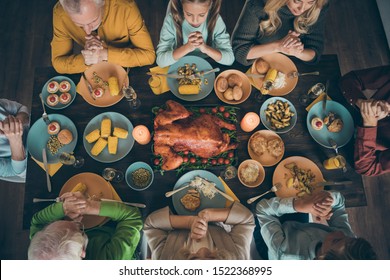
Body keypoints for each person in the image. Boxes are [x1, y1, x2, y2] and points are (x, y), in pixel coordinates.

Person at [255, 191, 377, 260]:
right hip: (297, 227)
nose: (340, 233)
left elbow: (262, 209)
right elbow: (339, 203)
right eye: (351, 238)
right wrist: (327, 202)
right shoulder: (347, 243)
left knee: (262, 197)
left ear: (321, 258)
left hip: (269, 245)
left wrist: (299, 205)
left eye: (335, 241)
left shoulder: (285, 254)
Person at [28, 192, 143, 260]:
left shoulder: (40, 246)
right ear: (82, 253)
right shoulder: (111, 259)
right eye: (80, 229)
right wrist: (88, 206)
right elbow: (132, 217)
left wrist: (64, 209)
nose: (74, 221)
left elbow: (37, 222)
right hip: (120, 237)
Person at [52, 0, 156, 74]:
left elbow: (148, 56)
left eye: (93, 21)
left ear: (102, 4)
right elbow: (58, 63)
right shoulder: (60, 14)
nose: (87, 31)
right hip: (93, 70)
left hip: (129, 65)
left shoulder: (126, 7)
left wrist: (104, 54)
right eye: (79, 25)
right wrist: (86, 60)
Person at [231, 0, 330, 66]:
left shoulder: (318, 7)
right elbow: (239, 51)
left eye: (310, 2)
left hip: (290, 66)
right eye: (297, 1)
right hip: (258, 61)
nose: (302, 9)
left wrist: (297, 52)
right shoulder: (257, 4)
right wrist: (278, 46)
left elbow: (315, 52)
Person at [143, 202, 255, 259]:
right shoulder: (238, 259)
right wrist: (209, 216)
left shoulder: (164, 260)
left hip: (172, 208)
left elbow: (151, 225)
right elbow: (246, 220)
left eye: (193, 258)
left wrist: (189, 222)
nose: (202, 250)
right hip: (218, 210)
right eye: (211, 257)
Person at [340, 65, 390, 176]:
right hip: (344, 116)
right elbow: (350, 79)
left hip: (349, 155)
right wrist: (361, 102)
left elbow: (366, 168)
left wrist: (370, 125)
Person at [156, 0, 234, 67]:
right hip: (178, 64)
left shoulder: (216, 21)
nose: (195, 21)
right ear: (181, 5)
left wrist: (205, 48)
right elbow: (160, 61)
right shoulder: (171, 20)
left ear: (210, 6)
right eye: (189, 14)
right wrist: (187, 47)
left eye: (201, 15)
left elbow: (230, 59)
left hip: (208, 62)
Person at [0, 99, 29, 181]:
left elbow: (22, 108)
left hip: (40, 127)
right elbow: (21, 172)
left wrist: (18, 122)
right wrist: (15, 142)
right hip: (36, 160)